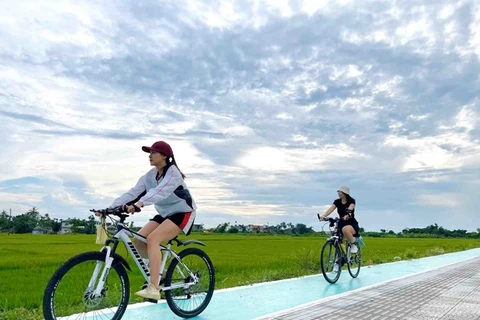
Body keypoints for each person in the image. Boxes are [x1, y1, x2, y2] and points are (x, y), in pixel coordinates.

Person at [98, 140, 196, 300]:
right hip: (165, 213)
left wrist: (140, 203)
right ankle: (161, 274)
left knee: (153, 239)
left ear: (164, 155)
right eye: (149, 153)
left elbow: (160, 192)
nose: (150, 156)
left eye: (153, 152)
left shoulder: (173, 173)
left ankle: (154, 287)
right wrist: (109, 208)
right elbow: (133, 193)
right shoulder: (150, 176)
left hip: (183, 212)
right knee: (138, 240)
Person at [319, 186, 360, 271]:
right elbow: (331, 209)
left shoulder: (351, 201)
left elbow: (350, 208)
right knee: (337, 241)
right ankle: (338, 262)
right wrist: (324, 216)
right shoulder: (337, 202)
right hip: (341, 222)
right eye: (338, 191)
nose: (338, 193)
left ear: (345, 193)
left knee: (345, 230)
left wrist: (348, 214)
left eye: (340, 192)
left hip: (351, 223)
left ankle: (353, 244)